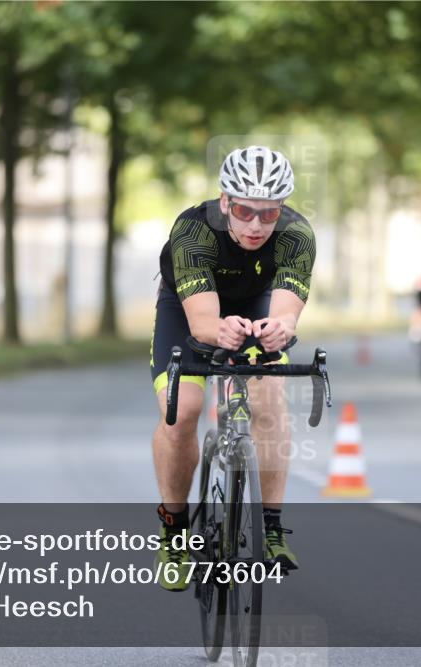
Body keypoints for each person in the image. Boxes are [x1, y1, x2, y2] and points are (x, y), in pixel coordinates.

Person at [150, 145, 316, 591]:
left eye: (269, 213)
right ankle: (173, 529)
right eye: (245, 211)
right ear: (226, 202)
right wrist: (220, 331)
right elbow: (204, 325)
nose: (257, 224)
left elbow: (286, 313)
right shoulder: (193, 230)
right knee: (182, 410)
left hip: (256, 302)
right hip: (188, 308)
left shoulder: (297, 234)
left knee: (268, 400)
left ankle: (273, 528)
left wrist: (280, 329)